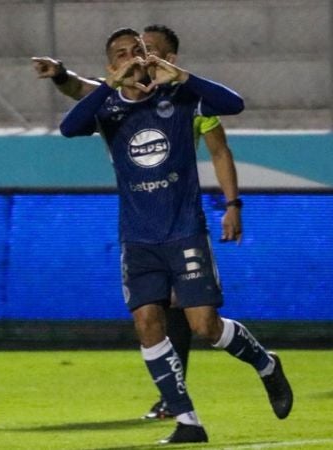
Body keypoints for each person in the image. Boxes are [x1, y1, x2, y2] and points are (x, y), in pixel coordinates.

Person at [59, 28, 292, 444]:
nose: (132, 59)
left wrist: (182, 76)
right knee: (147, 322)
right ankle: (188, 421)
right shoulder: (107, 109)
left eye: (139, 51)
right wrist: (108, 85)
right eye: (121, 55)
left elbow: (234, 104)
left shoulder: (180, 99)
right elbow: (68, 127)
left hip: (184, 232)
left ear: (152, 56)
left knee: (205, 327)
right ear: (112, 66)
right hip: (138, 238)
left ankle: (266, 364)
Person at [32, 24, 242, 420]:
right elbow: (82, 93)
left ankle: (248, 369)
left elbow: (220, 149)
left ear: (168, 59)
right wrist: (61, 75)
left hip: (181, 217)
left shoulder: (186, 100)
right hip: (142, 225)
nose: (140, 59)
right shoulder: (114, 100)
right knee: (155, 314)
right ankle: (179, 407)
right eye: (128, 53)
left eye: (148, 51)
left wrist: (233, 203)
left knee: (194, 318)